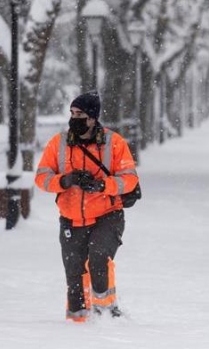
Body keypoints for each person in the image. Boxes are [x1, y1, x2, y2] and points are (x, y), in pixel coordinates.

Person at [35, 92, 140, 322]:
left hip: (107, 215)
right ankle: (78, 322)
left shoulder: (114, 143)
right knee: (74, 277)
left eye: (80, 114)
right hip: (71, 219)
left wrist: (103, 185)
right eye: (72, 113)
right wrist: (65, 180)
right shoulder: (58, 143)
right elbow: (41, 178)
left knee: (98, 260)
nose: (74, 118)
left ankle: (107, 316)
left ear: (93, 117)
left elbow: (129, 178)